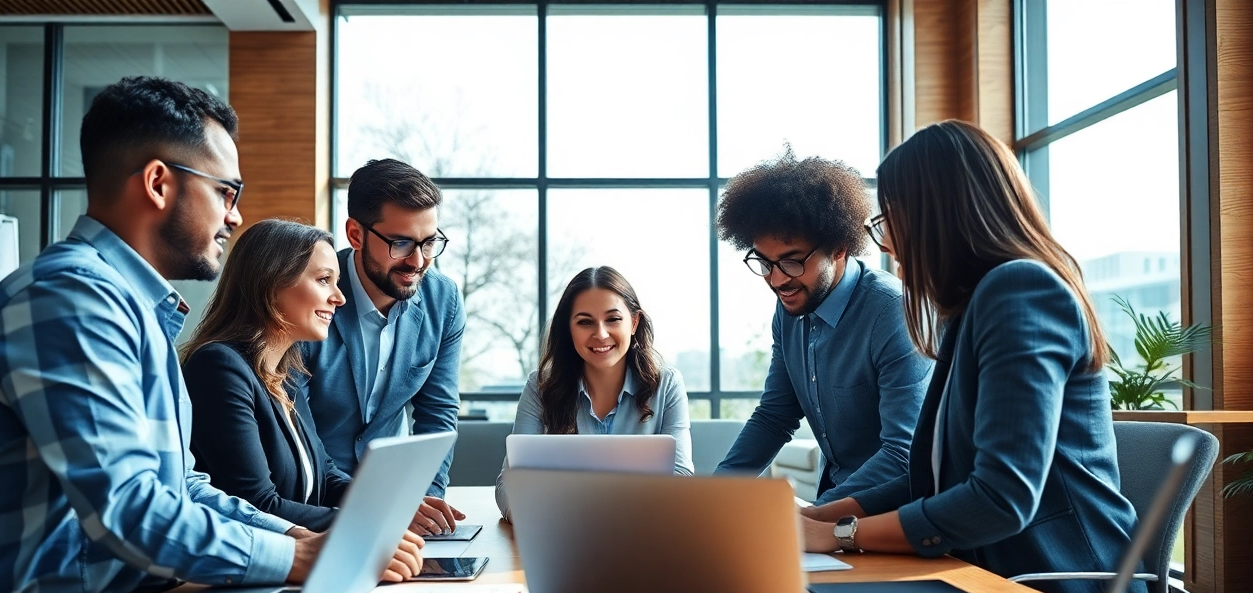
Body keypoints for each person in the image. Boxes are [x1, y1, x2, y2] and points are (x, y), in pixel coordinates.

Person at [0, 77, 347, 593]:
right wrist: (295, 560)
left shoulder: (134, 309)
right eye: (227, 192)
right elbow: (129, 509)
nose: (235, 217)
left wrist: (296, 541)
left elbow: (182, 491)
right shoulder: (70, 302)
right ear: (159, 183)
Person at [801, 120, 1151, 593]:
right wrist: (816, 518)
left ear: (936, 213)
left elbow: (998, 498)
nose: (889, 244)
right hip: (989, 577)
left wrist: (839, 535)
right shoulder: (973, 309)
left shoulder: (1022, 291)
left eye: (890, 220)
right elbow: (932, 479)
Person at [181, 219, 426, 577]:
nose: (339, 298)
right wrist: (366, 525)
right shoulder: (219, 367)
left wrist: (389, 506)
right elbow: (257, 504)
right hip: (249, 575)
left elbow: (325, 477)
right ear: (272, 281)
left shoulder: (286, 373)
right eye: (324, 280)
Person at [714, 150, 932, 515]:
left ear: (839, 247)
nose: (777, 279)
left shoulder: (891, 312)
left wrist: (812, 515)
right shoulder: (789, 309)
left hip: (894, 513)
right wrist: (712, 496)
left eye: (792, 261)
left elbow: (902, 453)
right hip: (832, 506)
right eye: (764, 263)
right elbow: (775, 415)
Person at [300, 159, 466, 537]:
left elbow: (438, 413)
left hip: (399, 509)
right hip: (315, 511)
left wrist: (423, 502)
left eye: (429, 242)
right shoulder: (310, 294)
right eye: (401, 243)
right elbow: (298, 428)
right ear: (355, 234)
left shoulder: (444, 301)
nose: (418, 261)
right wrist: (373, 505)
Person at [495, 266, 694, 521]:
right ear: (569, 329)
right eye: (585, 322)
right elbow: (509, 486)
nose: (600, 334)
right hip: (563, 541)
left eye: (613, 319)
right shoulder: (540, 386)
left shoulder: (667, 384)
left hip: (644, 542)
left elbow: (681, 479)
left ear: (634, 322)